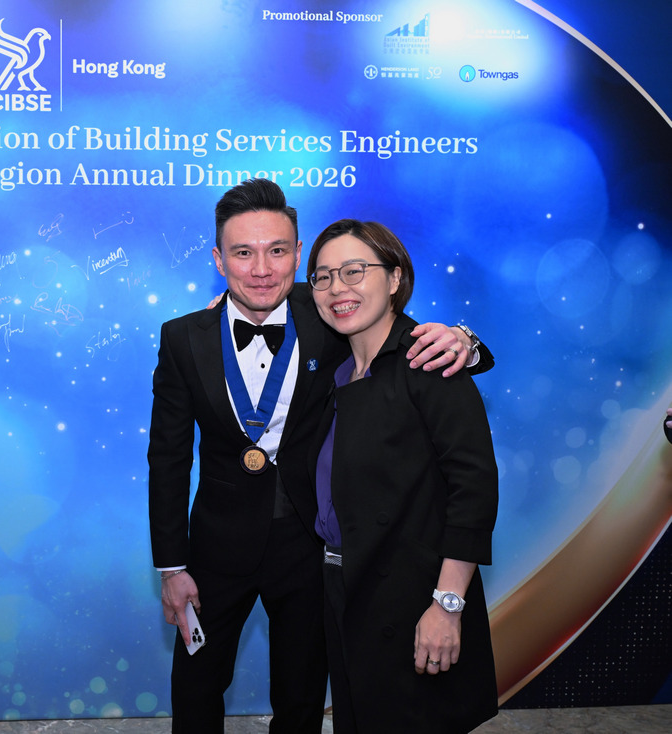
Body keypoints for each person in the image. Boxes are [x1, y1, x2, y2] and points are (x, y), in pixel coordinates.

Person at [147, 179, 488, 733]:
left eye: (277, 251)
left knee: (302, 695)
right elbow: (167, 458)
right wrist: (172, 566)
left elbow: (404, 335)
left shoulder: (330, 310)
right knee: (195, 688)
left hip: (309, 548)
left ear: (297, 255)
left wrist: (465, 342)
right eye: (243, 253)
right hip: (214, 547)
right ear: (219, 259)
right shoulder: (184, 338)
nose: (261, 270)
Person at [305, 219, 498, 733]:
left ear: (395, 278)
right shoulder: (336, 367)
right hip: (345, 586)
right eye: (323, 276)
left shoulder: (429, 359)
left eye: (354, 271)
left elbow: (474, 490)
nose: (337, 287)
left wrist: (447, 606)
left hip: (414, 597)